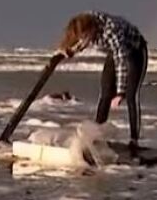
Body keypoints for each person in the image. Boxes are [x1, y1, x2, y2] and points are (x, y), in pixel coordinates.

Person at [56, 10, 149, 149]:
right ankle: (96, 137)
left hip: (135, 51)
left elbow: (121, 61)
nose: (83, 39)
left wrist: (120, 93)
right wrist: (67, 51)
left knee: (131, 96)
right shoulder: (84, 23)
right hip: (115, 51)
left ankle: (134, 140)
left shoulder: (110, 31)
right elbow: (82, 41)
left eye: (85, 35)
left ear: (91, 29)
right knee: (105, 94)